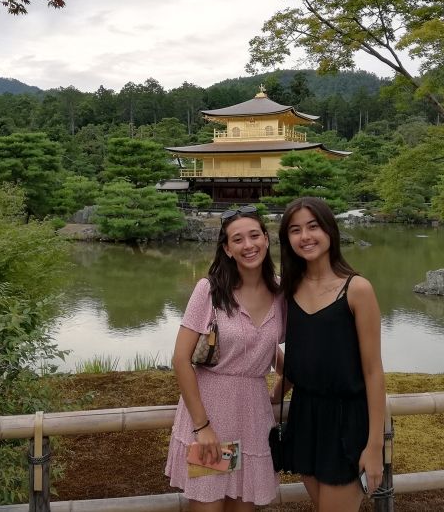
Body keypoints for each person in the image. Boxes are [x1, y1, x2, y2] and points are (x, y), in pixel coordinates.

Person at [165, 205, 286, 511]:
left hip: (254, 417)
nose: (249, 245)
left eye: (255, 235)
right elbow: (181, 359)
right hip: (212, 415)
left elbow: (268, 346)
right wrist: (202, 426)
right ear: (227, 249)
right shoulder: (209, 290)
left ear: (267, 239)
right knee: (208, 504)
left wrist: (282, 384)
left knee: (242, 506)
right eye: (238, 239)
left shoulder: (281, 292)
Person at [277, 197, 386, 511]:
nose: (305, 236)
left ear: (330, 231)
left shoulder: (356, 289)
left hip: (346, 420)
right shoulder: (289, 289)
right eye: (295, 230)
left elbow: (373, 371)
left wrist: (374, 445)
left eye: (313, 226)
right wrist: (279, 385)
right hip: (304, 415)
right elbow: (262, 335)